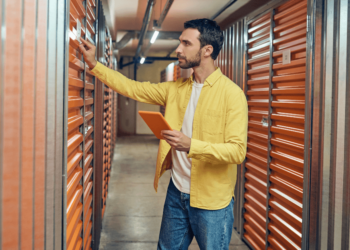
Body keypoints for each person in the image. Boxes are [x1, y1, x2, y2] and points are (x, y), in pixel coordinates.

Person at [78, 18, 248, 250]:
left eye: (186, 43)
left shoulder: (232, 94)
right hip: (176, 192)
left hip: (212, 202)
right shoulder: (176, 89)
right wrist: (94, 65)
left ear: (207, 50)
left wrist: (191, 145)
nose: (178, 49)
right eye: (179, 42)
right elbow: (133, 88)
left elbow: (237, 151)